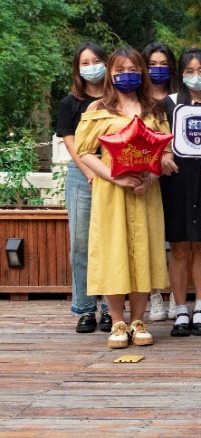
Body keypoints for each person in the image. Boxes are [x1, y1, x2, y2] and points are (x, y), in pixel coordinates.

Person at [75, 47, 177, 349]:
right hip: (112, 192)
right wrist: (114, 177)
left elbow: (166, 153)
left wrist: (151, 178)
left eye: (133, 69)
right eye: (120, 70)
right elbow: (84, 151)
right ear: (110, 74)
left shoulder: (154, 109)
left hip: (145, 191)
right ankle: (118, 321)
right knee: (114, 251)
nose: (127, 75)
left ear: (142, 72)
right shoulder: (98, 108)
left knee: (143, 251)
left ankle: (138, 320)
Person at [160, 49, 201, 337]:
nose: (196, 77)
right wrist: (165, 156)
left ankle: (200, 307)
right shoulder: (169, 103)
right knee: (179, 247)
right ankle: (180, 309)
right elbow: (159, 140)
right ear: (180, 74)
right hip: (176, 181)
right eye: (189, 71)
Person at [57, 42, 111, 334]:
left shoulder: (117, 99)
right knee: (81, 243)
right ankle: (86, 308)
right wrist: (90, 172)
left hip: (115, 173)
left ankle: (111, 308)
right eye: (85, 63)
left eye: (96, 61)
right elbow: (71, 141)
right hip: (81, 176)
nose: (91, 68)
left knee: (112, 241)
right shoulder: (70, 103)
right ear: (77, 69)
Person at [141, 42, 178, 322]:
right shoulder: (137, 99)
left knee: (178, 239)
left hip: (176, 174)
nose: (158, 69)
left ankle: (178, 295)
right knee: (150, 238)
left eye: (163, 64)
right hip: (146, 178)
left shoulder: (178, 98)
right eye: (152, 64)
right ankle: (154, 295)